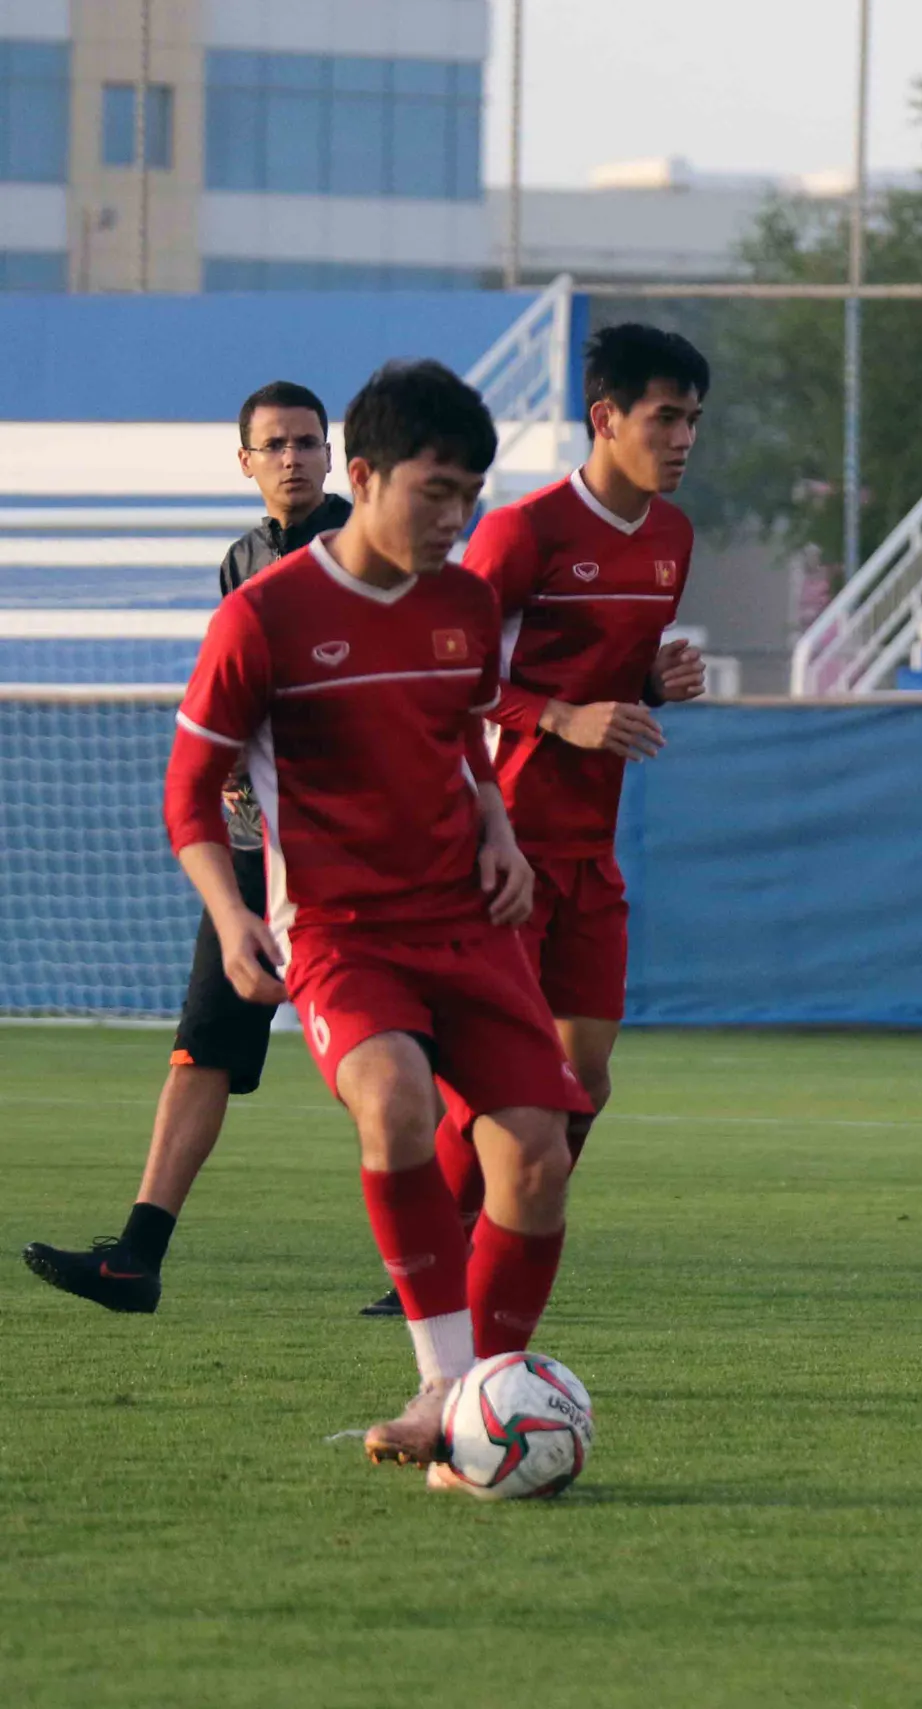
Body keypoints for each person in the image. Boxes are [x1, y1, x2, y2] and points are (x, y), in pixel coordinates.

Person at [161, 359, 592, 1475]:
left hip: (465, 918)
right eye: (434, 493)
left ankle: (482, 1408)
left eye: (471, 497)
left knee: (539, 1157)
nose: (455, 519)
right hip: (339, 928)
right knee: (394, 1098)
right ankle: (445, 1385)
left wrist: (497, 828)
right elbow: (187, 792)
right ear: (365, 477)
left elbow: (463, 737)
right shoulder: (264, 617)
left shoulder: (464, 604)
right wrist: (233, 913)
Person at [22, 381, 353, 1313]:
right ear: (244, 461)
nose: (292, 457)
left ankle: (447, 1260)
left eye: (307, 441)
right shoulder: (241, 560)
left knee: (396, 1052)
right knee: (202, 1045)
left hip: (354, 848)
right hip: (254, 848)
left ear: (332, 456)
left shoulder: (366, 548)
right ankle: (136, 1256)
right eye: (274, 444)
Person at [428, 324, 708, 1227]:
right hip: (502, 843)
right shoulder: (524, 531)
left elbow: (602, 677)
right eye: (665, 418)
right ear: (606, 417)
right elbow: (448, 673)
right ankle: (433, 1268)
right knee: (503, 1077)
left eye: (694, 420)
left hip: (590, 848)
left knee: (583, 1081)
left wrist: (649, 683)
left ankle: (489, 1247)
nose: (683, 439)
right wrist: (557, 715)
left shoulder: (673, 536)